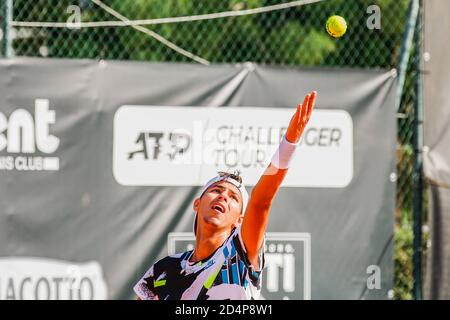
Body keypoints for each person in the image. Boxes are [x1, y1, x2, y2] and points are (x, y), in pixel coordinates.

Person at [134, 91, 317, 300]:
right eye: (216, 190)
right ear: (197, 203)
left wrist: (290, 142)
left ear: (240, 220)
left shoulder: (239, 252)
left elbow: (260, 202)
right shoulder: (165, 269)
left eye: (233, 198)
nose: (223, 197)